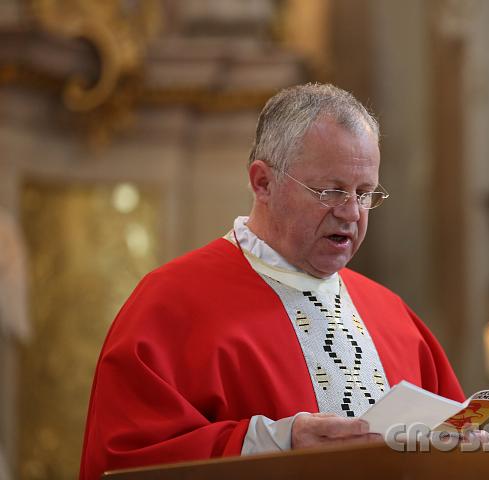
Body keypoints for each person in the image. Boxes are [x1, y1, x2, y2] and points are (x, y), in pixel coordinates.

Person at [79, 83, 468, 480]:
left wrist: (466, 457)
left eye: (365, 193)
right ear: (263, 182)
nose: (351, 212)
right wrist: (277, 442)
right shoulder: (171, 303)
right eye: (331, 190)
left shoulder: (392, 316)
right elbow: (126, 460)